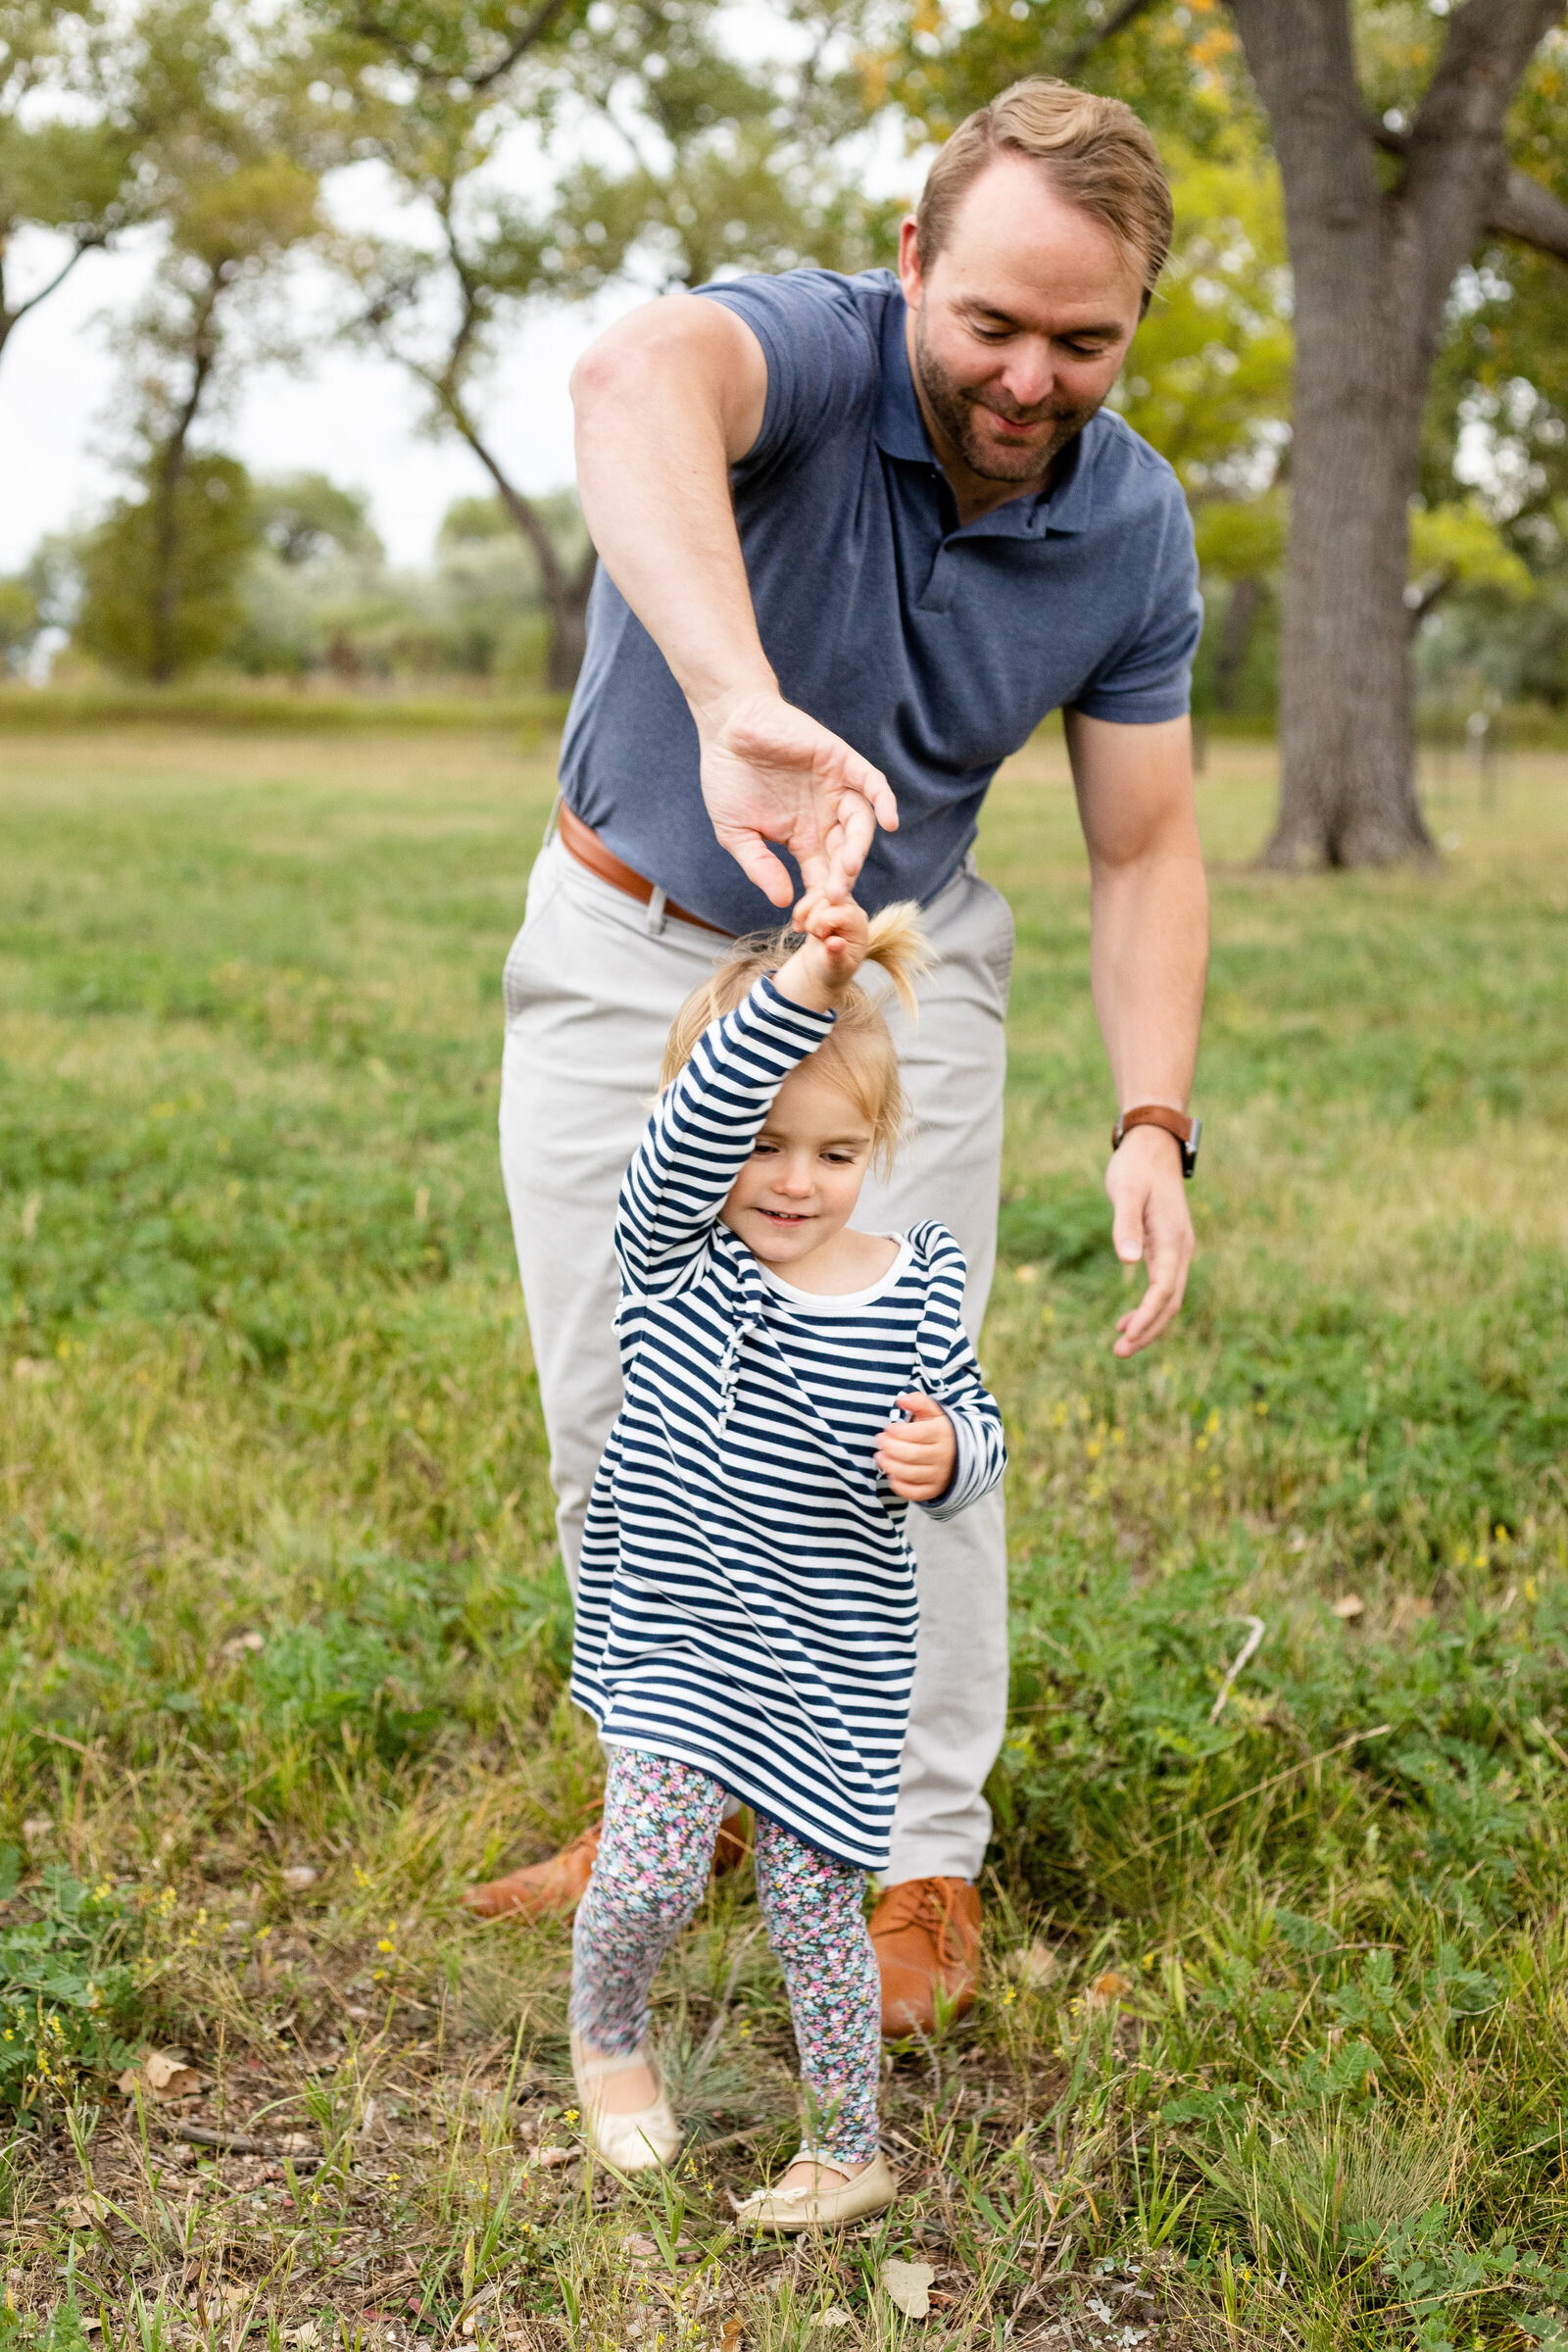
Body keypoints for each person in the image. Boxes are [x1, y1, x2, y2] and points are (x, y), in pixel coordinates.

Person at [466, 75, 1209, 2033]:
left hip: (891, 965)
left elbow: (1139, 843)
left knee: (896, 1407)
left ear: (1133, 323)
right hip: (635, 936)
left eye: (1082, 338)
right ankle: (680, 1797)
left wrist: (1150, 1121)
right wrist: (729, 700)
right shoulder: (798, 354)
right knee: (616, 1400)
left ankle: (917, 1863)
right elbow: (630, 380)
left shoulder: (1129, 528)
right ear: (908, 264)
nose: (1028, 376)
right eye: (989, 322)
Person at [565, 885, 1004, 2230]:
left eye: (832, 1152)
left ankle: (848, 2151)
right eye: (760, 1146)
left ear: (877, 1146)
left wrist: (949, 1456)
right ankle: (608, 2034)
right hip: (681, 1639)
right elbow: (698, 1131)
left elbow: (971, 1414)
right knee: (643, 1872)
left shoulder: (915, 1280)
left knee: (819, 1919)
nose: (792, 1182)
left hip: (829, 1667)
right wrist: (802, 995)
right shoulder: (679, 1259)